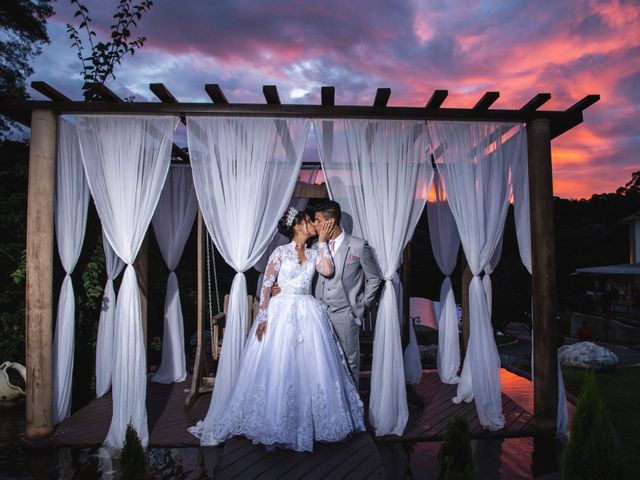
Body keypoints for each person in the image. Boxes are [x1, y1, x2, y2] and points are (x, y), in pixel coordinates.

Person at [189, 207, 364, 452]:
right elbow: (267, 285)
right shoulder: (280, 253)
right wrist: (262, 317)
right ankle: (272, 419)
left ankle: (311, 422)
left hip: (307, 311)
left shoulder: (315, 252)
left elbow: (328, 270)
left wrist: (323, 243)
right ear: (298, 226)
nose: (314, 224)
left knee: (310, 367)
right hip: (280, 313)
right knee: (279, 365)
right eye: (308, 220)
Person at [311, 201, 383, 388]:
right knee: (320, 364)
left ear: (330, 222)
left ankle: (353, 412)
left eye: (318, 220)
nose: (315, 224)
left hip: (345, 315)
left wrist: (362, 305)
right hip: (318, 314)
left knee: (350, 364)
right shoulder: (315, 246)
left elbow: (374, 278)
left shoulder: (358, 246)